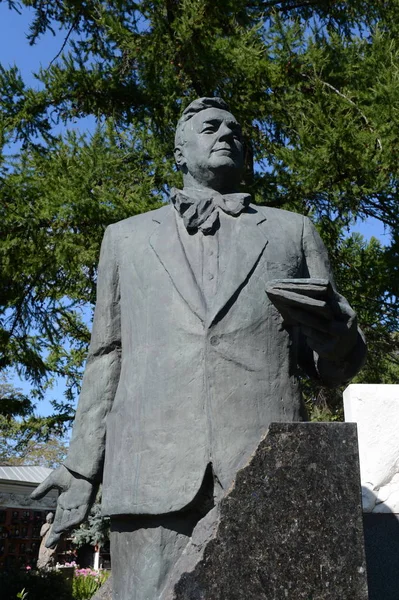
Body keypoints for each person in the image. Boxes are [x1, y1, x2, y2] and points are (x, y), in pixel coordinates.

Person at [32, 97, 366, 599]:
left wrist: (335, 327)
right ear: (179, 150)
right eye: (211, 126)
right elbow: (107, 355)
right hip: (151, 469)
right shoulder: (123, 239)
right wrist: (82, 467)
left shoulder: (291, 232)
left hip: (264, 466)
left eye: (236, 129)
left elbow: (332, 368)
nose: (227, 133)